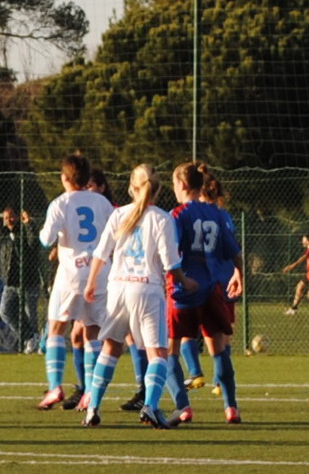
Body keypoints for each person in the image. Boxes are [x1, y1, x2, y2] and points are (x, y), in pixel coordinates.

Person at [81, 163, 198, 429]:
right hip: (147, 290)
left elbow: (100, 253)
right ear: (156, 188)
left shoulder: (119, 213)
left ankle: (93, 409)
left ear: (132, 187)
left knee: (110, 347)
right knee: (158, 353)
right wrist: (185, 281)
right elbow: (171, 264)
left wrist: (90, 283)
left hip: (117, 288)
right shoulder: (161, 218)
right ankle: (151, 406)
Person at [167, 161, 244, 426]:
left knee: (170, 350)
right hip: (212, 289)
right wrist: (239, 275)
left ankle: (183, 407)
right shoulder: (216, 213)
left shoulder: (177, 215)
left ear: (183, 185)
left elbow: (169, 253)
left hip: (183, 290)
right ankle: (231, 407)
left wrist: (177, 278)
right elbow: (234, 251)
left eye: (174, 184)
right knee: (218, 348)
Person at [37, 154, 114, 410]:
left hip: (70, 275)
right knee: (93, 332)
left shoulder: (60, 203)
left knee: (56, 328)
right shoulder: (102, 202)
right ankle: (90, 392)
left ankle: (55, 387)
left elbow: (46, 239)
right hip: (99, 273)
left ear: (64, 178)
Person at [0, 206, 44, 354]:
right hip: (10, 283)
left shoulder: (24, 231)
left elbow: (33, 244)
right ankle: (29, 337)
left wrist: (29, 224)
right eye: (5, 218)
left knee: (31, 314)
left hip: (28, 281)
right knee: (5, 311)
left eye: (11, 217)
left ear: (17, 217)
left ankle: (36, 343)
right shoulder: (4, 234)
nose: (8, 220)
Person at [282, 234, 309, 315]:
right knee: (299, 287)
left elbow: (304, 257)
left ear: (307, 240)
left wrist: (292, 266)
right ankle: (294, 309)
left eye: (303, 239)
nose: (302, 241)